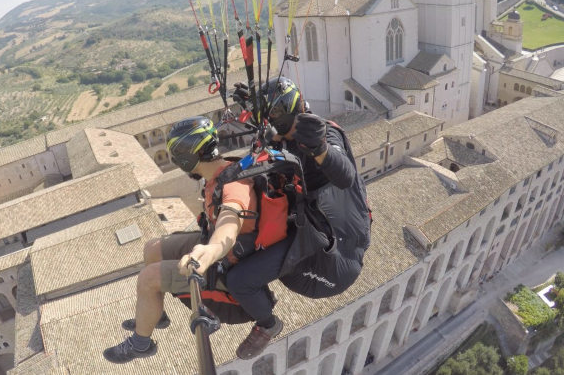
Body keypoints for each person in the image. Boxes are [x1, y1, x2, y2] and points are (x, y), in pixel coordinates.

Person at [102, 116, 295, 364]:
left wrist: (211, 249)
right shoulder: (222, 171)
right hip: (224, 252)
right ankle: (155, 314)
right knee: (152, 248)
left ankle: (141, 344)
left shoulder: (233, 184)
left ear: (185, 159)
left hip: (228, 279)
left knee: (148, 278)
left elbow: (230, 221)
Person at [235, 76, 371, 299]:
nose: (271, 131)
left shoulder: (323, 133)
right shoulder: (279, 137)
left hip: (331, 258)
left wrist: (321, 150)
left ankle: (264, 318)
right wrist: (251, 106)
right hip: (306, 239)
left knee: (241, 276)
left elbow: (345, 175)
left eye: (273, 121)